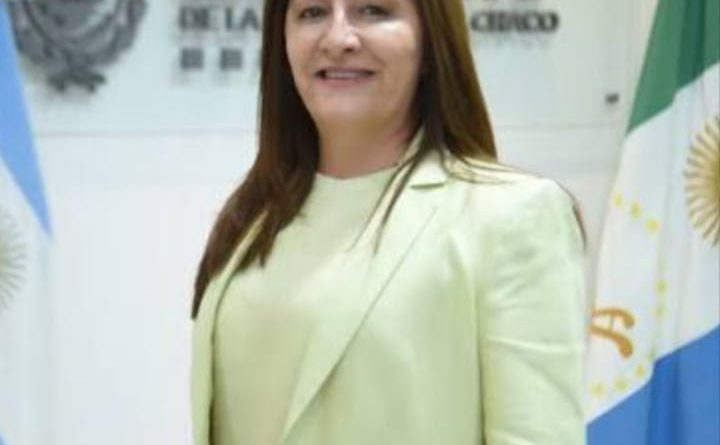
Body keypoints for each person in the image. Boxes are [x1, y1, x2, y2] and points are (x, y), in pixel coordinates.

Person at [190, 0, 587, 444]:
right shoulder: (253, 217)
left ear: (431, 43)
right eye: (312, 12)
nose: (338, 39)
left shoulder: (512, 216)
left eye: (374, 10)